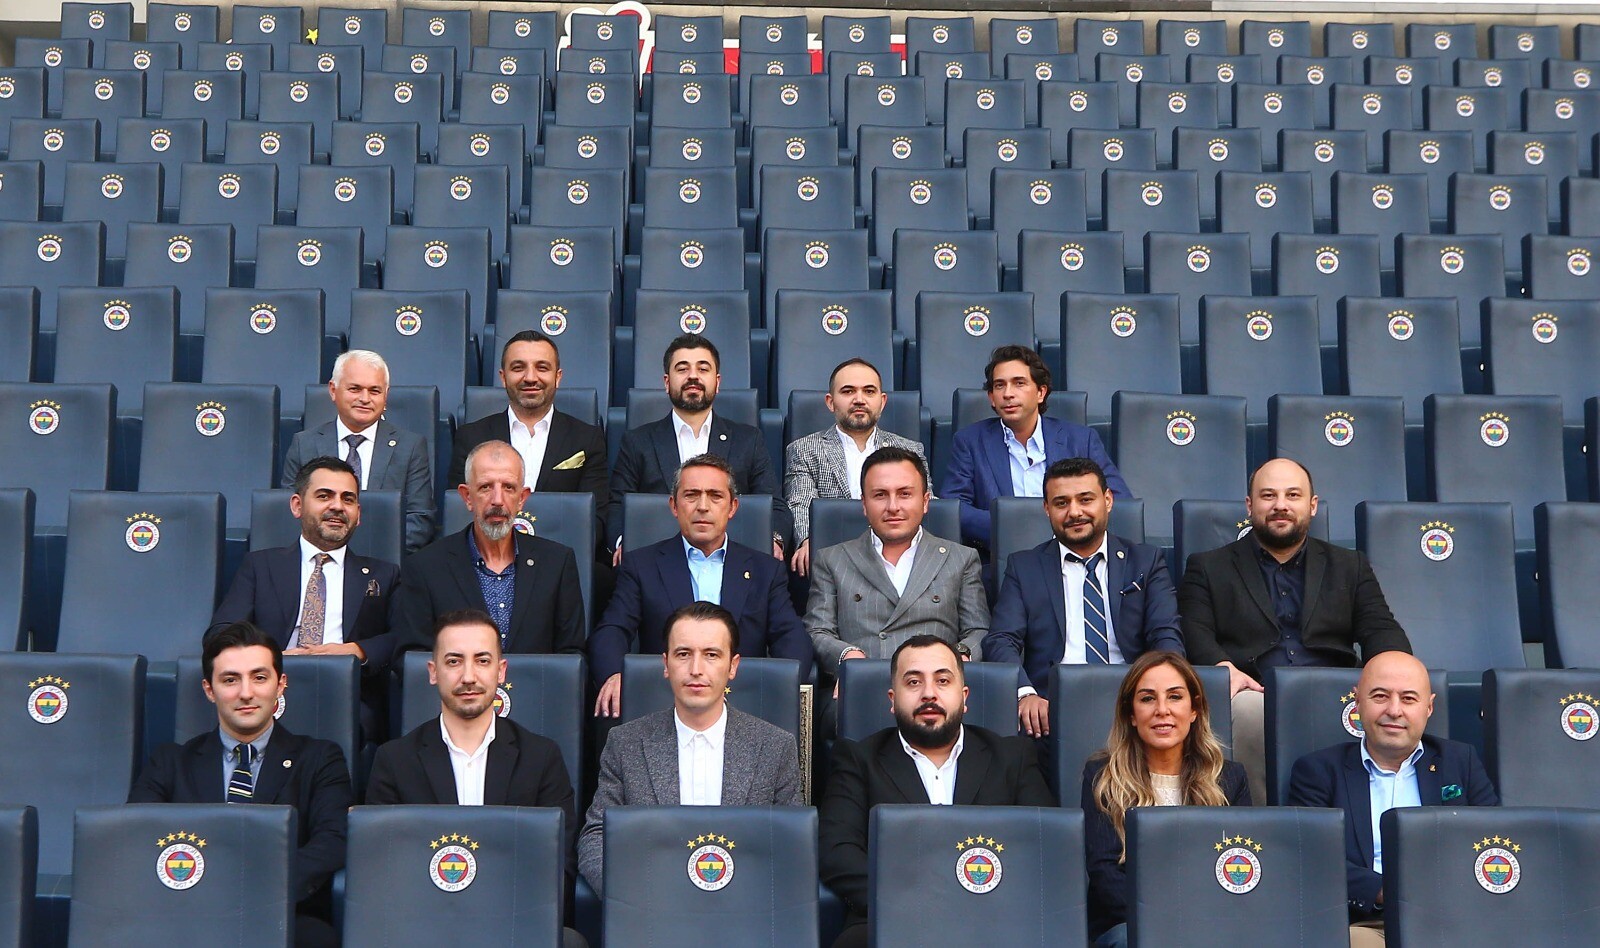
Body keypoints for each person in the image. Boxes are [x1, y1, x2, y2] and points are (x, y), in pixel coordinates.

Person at [1180, 457, 1411, 804]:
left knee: (1395, 700)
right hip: (1255, 691)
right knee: (1246, 710)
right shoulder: (1208, 566)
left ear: (1312, 505)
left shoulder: (1349, 565)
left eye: (1293, 495)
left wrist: (1390, 676)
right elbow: (1193, 629)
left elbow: (1381, 629)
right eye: (1268, 496)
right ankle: (1259, 821)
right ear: (1250, 505)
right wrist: (1223, 667)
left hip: (1335, 690)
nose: (1281, 505)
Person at [819, 635, 1055, 947]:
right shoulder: (858, 759)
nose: (929, 693)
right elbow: (838, 852)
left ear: (964, 696)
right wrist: (915, 906)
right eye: (913, 682)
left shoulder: (1012, 757)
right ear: (892, 699)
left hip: (996, 918)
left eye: (943, 681)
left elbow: (1044, 847)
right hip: (893, 921)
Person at [130, 622, 351, 948]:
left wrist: (255, 890)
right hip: (186, 912)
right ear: (209, 690)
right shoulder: (171, 762)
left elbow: (333, 840)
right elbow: (136, 838)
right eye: (230, 680)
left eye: (259, 678)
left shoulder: (319, 758)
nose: (246, 693)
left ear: (280, 684)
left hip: (280, 913)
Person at [578, 602, 803, 894]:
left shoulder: (775, 747)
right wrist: (632, 898)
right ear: (666, 664)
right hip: (650, 908)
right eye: (683, 654)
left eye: (711, 655)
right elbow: (596, 837)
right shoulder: (626, 744)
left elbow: (792, 842)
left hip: (745, 909)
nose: (696, 670)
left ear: (733, 666)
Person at [1288, 651, 1498, 947]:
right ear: (1357, 701)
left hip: (1454, 916)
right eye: (1380, 696)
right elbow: (1310, 858)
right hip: (1367, 922)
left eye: (1409, 699)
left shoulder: (1460, 761)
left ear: (1429, 707)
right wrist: (1385, 890)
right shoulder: (1319, 770)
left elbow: (1491, 840)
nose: (1394, 710)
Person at [588, 454, 814, 718]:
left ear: (732, 507)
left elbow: (791, 637)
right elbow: (612, 629)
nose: (703, 506)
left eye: (715, 496)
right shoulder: (642, 565)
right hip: (664, 699)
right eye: (691, 495)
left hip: (744, 702)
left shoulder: (765, 570)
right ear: (674, 506)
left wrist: (782, 685)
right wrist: (616, 673)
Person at [984, 458, 1184, 738]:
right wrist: (1025, 693)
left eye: (1085, 499)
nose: (1075, 512)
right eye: (1061, 503)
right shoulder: (1024, 566)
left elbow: (1165, 634)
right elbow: (1002, 639)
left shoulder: (1145, 562)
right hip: (1051, 708)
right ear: (1047, 509)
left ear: (1108, 500)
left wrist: (1159, 693)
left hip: (1133, 701)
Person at [209, 456, 401, 736]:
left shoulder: (384, 574)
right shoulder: (261, 566)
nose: (337, 506)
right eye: (324, 496)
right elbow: (220, 633)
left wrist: (356, 651)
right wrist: (270, 659)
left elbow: (403, 637)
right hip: (269, 692)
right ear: (297, 506)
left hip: (347, 699)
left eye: (347, 499)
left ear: (358, 514)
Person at [1083, 652, 1251, 947]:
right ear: (1131, 714)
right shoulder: (1103, 776)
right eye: (1148, 699)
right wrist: (1171, 925)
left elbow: (1239, 865)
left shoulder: (1229, 778)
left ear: (1194, 709)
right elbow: (1105, 875)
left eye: (1175, 697)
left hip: (1210, 922)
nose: (1162, 710)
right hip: (1131, 924)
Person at [806, 447, 988, 679]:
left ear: (925, 501)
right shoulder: (832, 559)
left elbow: (978, 630)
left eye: (904, 494)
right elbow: (817, 630)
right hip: (864, 681)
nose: (893, 507)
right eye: (880, 495)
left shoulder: (961, 558)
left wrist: (958, 657)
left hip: (934, 687)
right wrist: (848, 658)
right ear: (864, 504)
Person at [607, 335, 790, 563]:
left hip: (732, 561)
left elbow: (775, 506)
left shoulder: (748, 440)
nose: (693, 376)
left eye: (703, 369)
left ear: (717, 382)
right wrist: (624, 542)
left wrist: (773, 539)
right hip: (658, 563)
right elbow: (617, 506)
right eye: (682, 369)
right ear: (667, 382)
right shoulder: (638, 441)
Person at [393, 441, 585, 655]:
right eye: (486, 487)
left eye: (508, 487)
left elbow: (572, 656)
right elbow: (413, 659)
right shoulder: (425, 567)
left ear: (522, 499)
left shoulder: (557, 563)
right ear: (467, 497)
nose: (498, 500)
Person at [942, 345, 1129, 548]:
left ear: (1041, 392)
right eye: (999, 385)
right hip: (1002, 554)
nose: (1008, 394)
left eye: (1019, 383)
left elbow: (1119, 501)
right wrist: (1010, 528)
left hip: (1072, 550)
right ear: (991, 398)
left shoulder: (1081, 439)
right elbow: (954, 508)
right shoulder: (970, 441)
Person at [448, 330, 609, 541]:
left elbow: (594, 520)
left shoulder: (587, 439)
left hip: (562, 553)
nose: (531, 378)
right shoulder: (470, 437)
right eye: (518, 368)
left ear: (558, 377)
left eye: (542, 368)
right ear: (503, 377)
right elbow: (459, 512)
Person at [783, 358, 928, 576]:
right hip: (834, 557)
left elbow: (923, 504)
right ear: (830, 402)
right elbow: (800, 503)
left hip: (899, 551)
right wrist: (807, 539)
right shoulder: (804, 449)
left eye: (869, 391)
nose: (859, 400)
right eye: (848, 391)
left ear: (882, 401)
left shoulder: (910, 450)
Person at [281, 349, 436, 552]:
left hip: (383, 560)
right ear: (333, 390)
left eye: (374, 391)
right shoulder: (304, 444)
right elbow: (292, 512)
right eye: (355, 389)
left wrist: (373, 554)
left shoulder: (410, 446)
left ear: (386, 395)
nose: (365, 398)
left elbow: (420, 520)